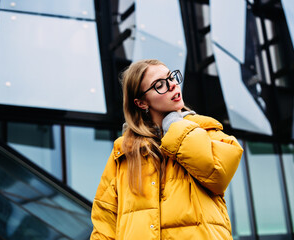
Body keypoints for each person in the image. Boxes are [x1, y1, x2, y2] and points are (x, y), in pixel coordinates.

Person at [90, 59, 243, 240]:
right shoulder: (124, 153)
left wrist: (176, 126)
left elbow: (217, 174)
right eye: (159, 84)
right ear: (141, 103)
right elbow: (104, 222)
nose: (171, 85)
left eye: (171, 78)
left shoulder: (207, 132)